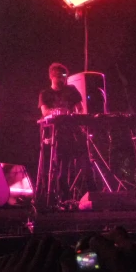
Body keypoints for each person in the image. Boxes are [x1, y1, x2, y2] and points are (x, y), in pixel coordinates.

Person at [38, 63, 89, 204]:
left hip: (74, 132)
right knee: (62, 167)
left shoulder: (71, 90)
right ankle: (64, 199)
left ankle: (92, 194)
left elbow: (80, 107)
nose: (62, 79)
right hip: (58, 135)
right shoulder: (45, 94)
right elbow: (45, 112)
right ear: (51, 76)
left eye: (64, 76)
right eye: (59, 76)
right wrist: (58, 112)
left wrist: (76, 113)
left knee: (86, 163)